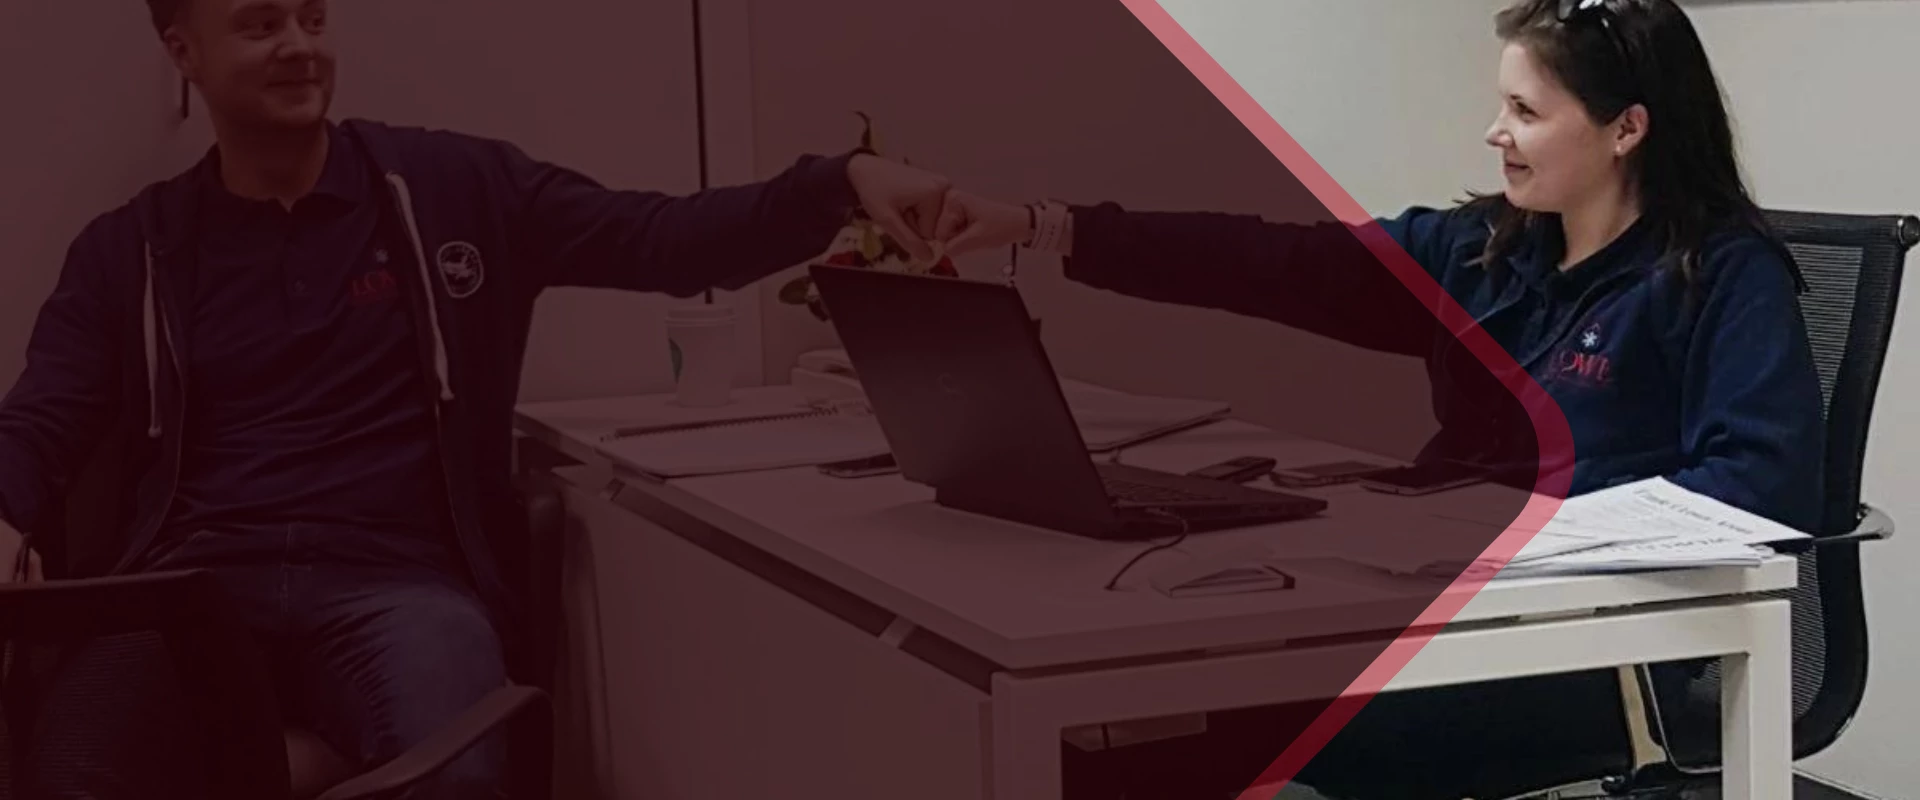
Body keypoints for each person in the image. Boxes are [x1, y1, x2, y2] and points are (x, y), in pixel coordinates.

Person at [0, 0, 953, 796]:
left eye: (312, 15)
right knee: (69, 775)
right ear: (183, 53)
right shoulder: (132, 248)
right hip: (191, 587)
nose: (298, 44)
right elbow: (41, 421)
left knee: (456, 768)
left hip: (396, 585)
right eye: (258, 24)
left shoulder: (457, 190)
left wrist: (839, 183)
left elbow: (663, 240)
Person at [934, 0, 1824, 796]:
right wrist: (1045, 227)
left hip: (1591, 656)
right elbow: (1277, 264)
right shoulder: (1487, 249)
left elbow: (1762, 484)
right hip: (1443, 616)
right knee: (1111, 736)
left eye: (1524, 112)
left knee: (1218, 733)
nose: (1494, 132)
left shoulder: (1722, 277)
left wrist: (1536, 533)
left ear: (1626, 129)